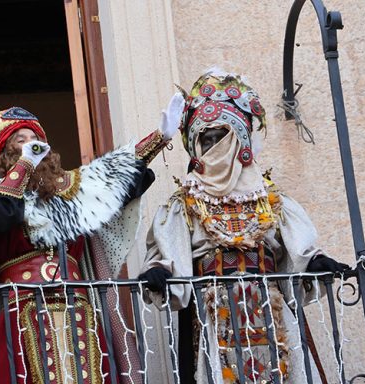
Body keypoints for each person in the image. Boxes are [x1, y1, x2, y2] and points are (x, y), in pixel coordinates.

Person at [139, 68, 350, 383]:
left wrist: (313, 261)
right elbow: (169, 251)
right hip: (214, 314)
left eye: (220, 137)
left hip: (269, 308)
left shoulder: (268, 197)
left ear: (238, 139)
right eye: (205, 139)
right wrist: (160, 272)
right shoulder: (184, 203)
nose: (213, 146)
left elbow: (296, 245)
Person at [0, 106, 177, 384]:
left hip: (79, 308)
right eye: (20, 140)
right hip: (21, 313)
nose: (31, 144)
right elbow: (3, 215)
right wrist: (25, 165)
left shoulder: (69, 191)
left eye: (35, 138)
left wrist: (160, 137)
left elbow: (112, 179)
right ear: (3, 153)